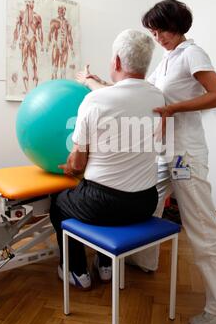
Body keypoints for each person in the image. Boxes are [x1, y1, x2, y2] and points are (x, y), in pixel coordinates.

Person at [79, 0, 216, 324]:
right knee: (146, 205)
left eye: (161, 29)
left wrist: (173, 110)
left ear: (177, 25)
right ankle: (145, 262)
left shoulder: (192, 54)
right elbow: (138, 93)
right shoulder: (167, 60)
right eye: (153, 31)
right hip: (165, 154)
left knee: (202, 227)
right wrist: (98, 82)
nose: (157, 36)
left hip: (185, 155)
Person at [50, 29, 165, 290]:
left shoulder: (94, 101)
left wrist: (71, 166)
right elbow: (123, 94)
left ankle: (76, 270)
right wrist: (90, 80)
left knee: (59, 203)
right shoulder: (157, 96)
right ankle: (105, 265)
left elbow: (78, 164)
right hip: (146, 201)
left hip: (102, 205)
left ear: (116, 62)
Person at [11, 0, 44, 92]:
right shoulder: (21, 14)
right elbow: (17, 28)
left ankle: (34, 90)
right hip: (24, 40)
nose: (31, 3)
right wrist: (14, 41)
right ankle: (27, 90)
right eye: (29, 2)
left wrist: (42, 45)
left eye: (32, 2)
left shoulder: (37, 17)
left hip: (33, 40)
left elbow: (40, 32)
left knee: (34, 64)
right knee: (24, 62)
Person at [46, 6, 74, 80]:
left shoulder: (67, 23)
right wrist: (48, 45)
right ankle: (53, 85)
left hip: (65, 47)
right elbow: (50, 33)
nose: (62, 12)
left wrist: (72, 49)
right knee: (54, 68)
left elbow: (69, 36)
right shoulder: (54, 21)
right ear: (58, 11)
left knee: (63, 70)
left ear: (65, 12)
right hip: (56, 46)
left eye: (63, 11)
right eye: (60, 11)